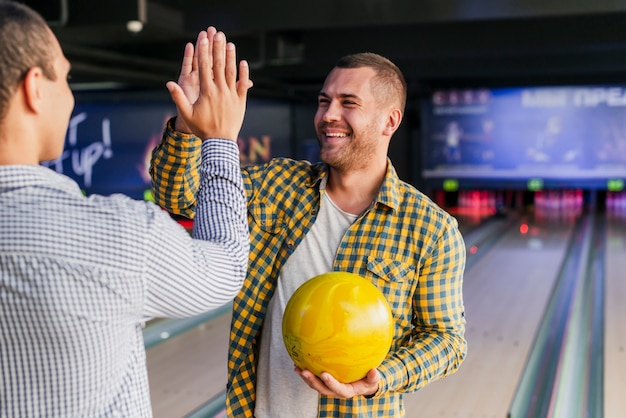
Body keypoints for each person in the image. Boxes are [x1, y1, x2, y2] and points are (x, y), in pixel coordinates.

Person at [151, 38, 467, 417]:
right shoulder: (277, 185)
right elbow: (182, 198)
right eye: (324, 101)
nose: (329, 114)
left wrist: (382, 376)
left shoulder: (431, 229)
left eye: (348, 103)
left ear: (390, 121)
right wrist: (187, 129)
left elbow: (447, 340)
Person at [0, 2, 251, 417]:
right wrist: (219, 139)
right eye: (65, 76)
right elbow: (223, 270)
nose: (69, 93)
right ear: (35, 88)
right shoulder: (118, 234)